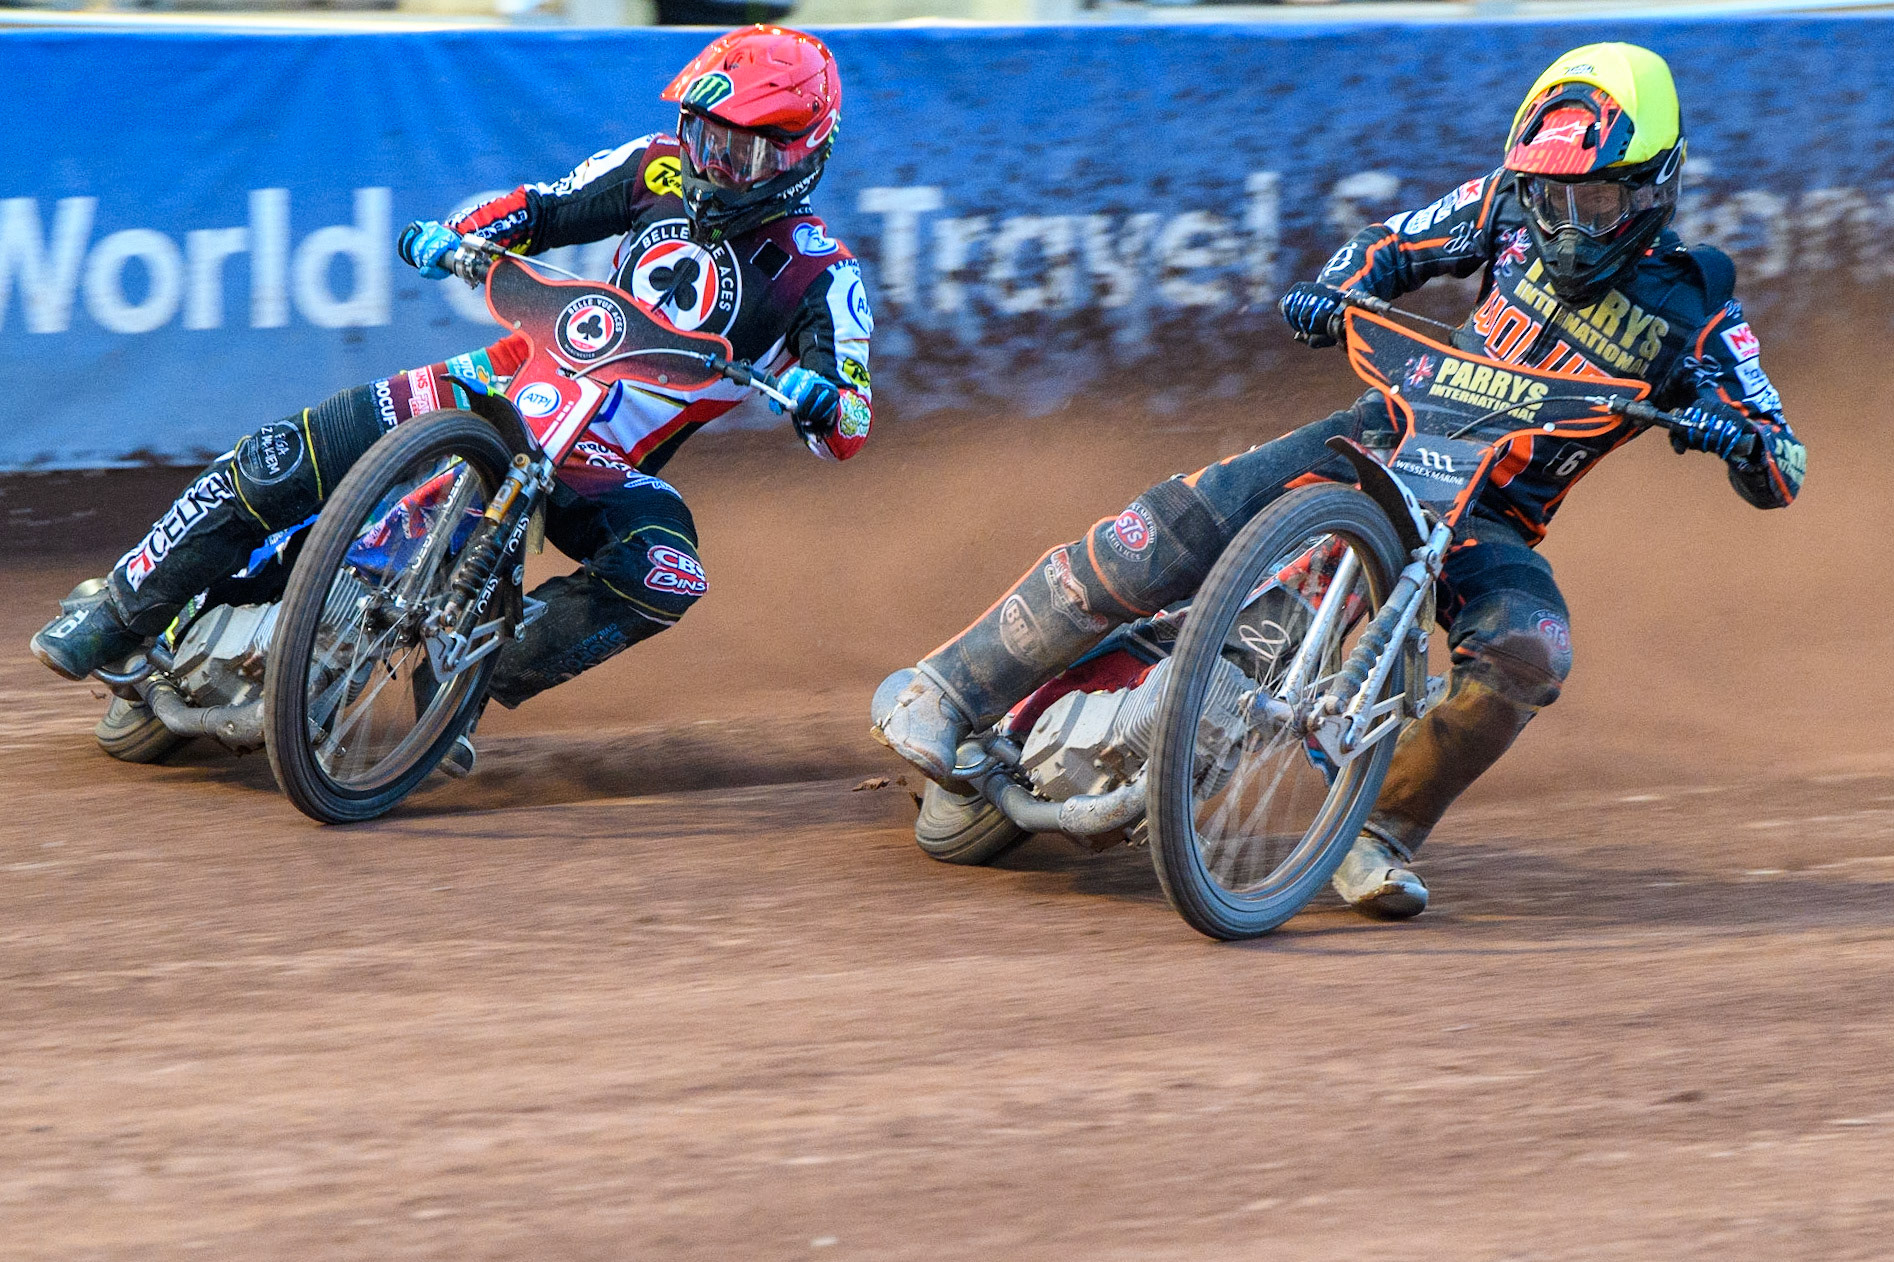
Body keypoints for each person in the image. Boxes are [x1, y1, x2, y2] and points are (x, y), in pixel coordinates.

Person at [871, 43, 1805, 919]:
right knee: (1169, 528)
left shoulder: (1699, 306)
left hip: (1491, 519)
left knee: (1534, 646)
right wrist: (1330, 287)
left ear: (1655, 188)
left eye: (1593, 203)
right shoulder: (1502, 207)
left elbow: (1782, 461)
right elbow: (1388, 244)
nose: (1562, 225)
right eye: (1547, 200)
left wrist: (1735, 437)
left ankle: (1380, 827)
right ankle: (952, 688)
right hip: (1384, 435)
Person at [33, 25, 875, 771]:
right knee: (292, 450)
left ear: (803, 156)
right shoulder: (652, 166)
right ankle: (122, 606)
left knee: (668, 569)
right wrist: (462, 237)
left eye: (740, 153)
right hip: (510, 373)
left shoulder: (821, 274)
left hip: (602, 458)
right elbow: (540, 209)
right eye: (701, 137)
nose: (709, 164)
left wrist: (815, 399)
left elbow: (851, 424)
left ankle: (462, 684)